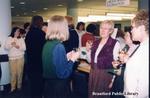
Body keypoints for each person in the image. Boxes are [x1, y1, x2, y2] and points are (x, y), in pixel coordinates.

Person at [42, 15, 79, 98]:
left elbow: (52, 62)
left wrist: (65, 57)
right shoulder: (59, 46)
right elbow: (63, 74)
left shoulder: (48, 43)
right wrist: (73, 59)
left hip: (49, 84)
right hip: (58, 87)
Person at [88, 20, 121, 98]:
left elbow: (117, 64)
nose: (102, 30)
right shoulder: (95, 42)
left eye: (105, 29)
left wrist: (113, 80)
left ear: (110, 31)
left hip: (105, 75)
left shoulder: (115, 43)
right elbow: (90, 60)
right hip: (93, 73)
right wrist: (88, 50)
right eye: (101, 28)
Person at [120, 10, 149, 98]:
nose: (131, 31)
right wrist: (128, 60)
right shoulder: (142, 46)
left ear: (142, 28)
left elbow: (143, 90)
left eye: (133, 27)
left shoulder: (146, 51)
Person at [25, 15, 46, 98]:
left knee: (33, 84)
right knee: (39, 84)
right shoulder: (41, 33)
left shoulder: (29, 33)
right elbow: (44, 48)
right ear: (40, 22)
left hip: (31, 61)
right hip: (39, 62)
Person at [5, 27, 26, 92]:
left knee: (20, 73)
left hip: (20, 57)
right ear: (13, 31)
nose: (18, 32)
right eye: (17, 31)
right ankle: (13, 87)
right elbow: (6, 47)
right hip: (12, 58)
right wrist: (12, 45)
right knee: (13, 73)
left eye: (19, 31)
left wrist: (17, 46)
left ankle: (19, 86)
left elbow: (24, 48)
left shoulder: (21, 39)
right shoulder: (9, 38)